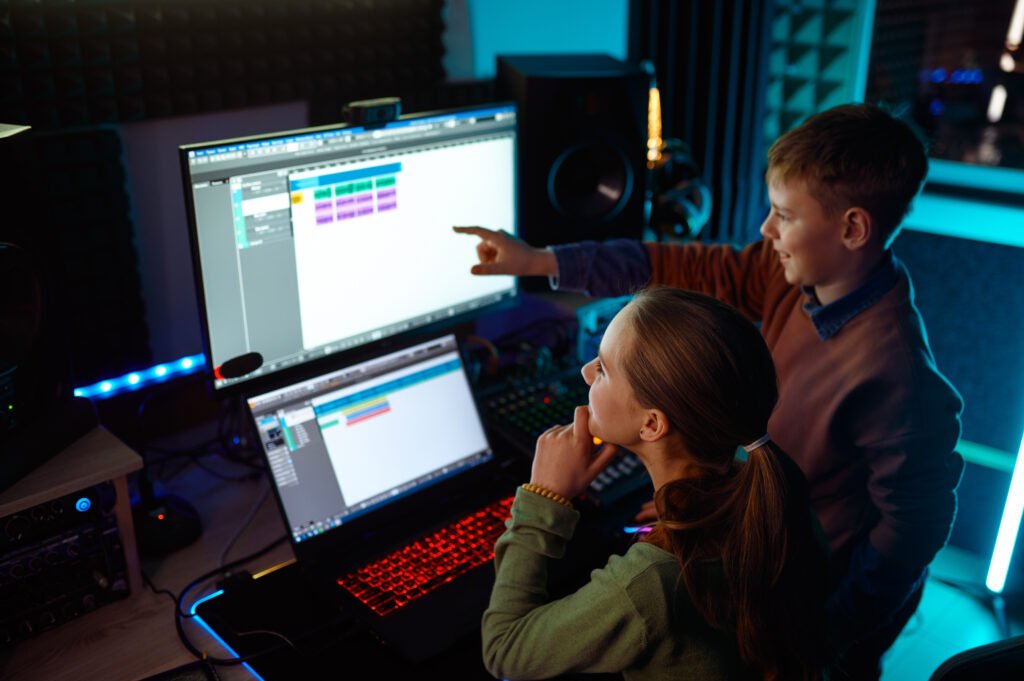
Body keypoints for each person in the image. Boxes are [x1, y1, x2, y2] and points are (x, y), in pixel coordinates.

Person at [459, 103, 965, 679]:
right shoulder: (791, 273)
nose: (765, 230)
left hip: (805, 604)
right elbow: (679, 267)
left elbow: (910, 537)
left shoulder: (898, 376)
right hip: (751, 543)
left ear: (852, 228)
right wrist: (542, 260)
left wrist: (821, 642)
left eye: (782, 215)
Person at [482, 287, 830, 681]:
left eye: (604, 369)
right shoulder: (775, 492)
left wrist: (543, 497)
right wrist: (678, 513)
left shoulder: (650, 584)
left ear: (651, 424)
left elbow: (504, 650)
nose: (585, 372)